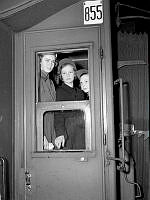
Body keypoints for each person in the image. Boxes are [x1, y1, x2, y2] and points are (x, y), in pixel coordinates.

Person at [54, 58, 85, 150]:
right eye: (64, 73)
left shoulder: (80, 92)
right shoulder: (59, 92)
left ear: (74, 73)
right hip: (69, 131)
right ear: (61, 76)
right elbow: (58, 115)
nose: (67, 75)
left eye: (70, 72)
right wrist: (60, 134)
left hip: (83, 129)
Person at [38, 52, 57, 150]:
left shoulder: (51, 83)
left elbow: (53, 111)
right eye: (47, 60)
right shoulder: (34, 80)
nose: (50, 64)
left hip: (51, 128)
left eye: (53, 61)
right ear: (39, 61)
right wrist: (40, 136)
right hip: (40, 129)